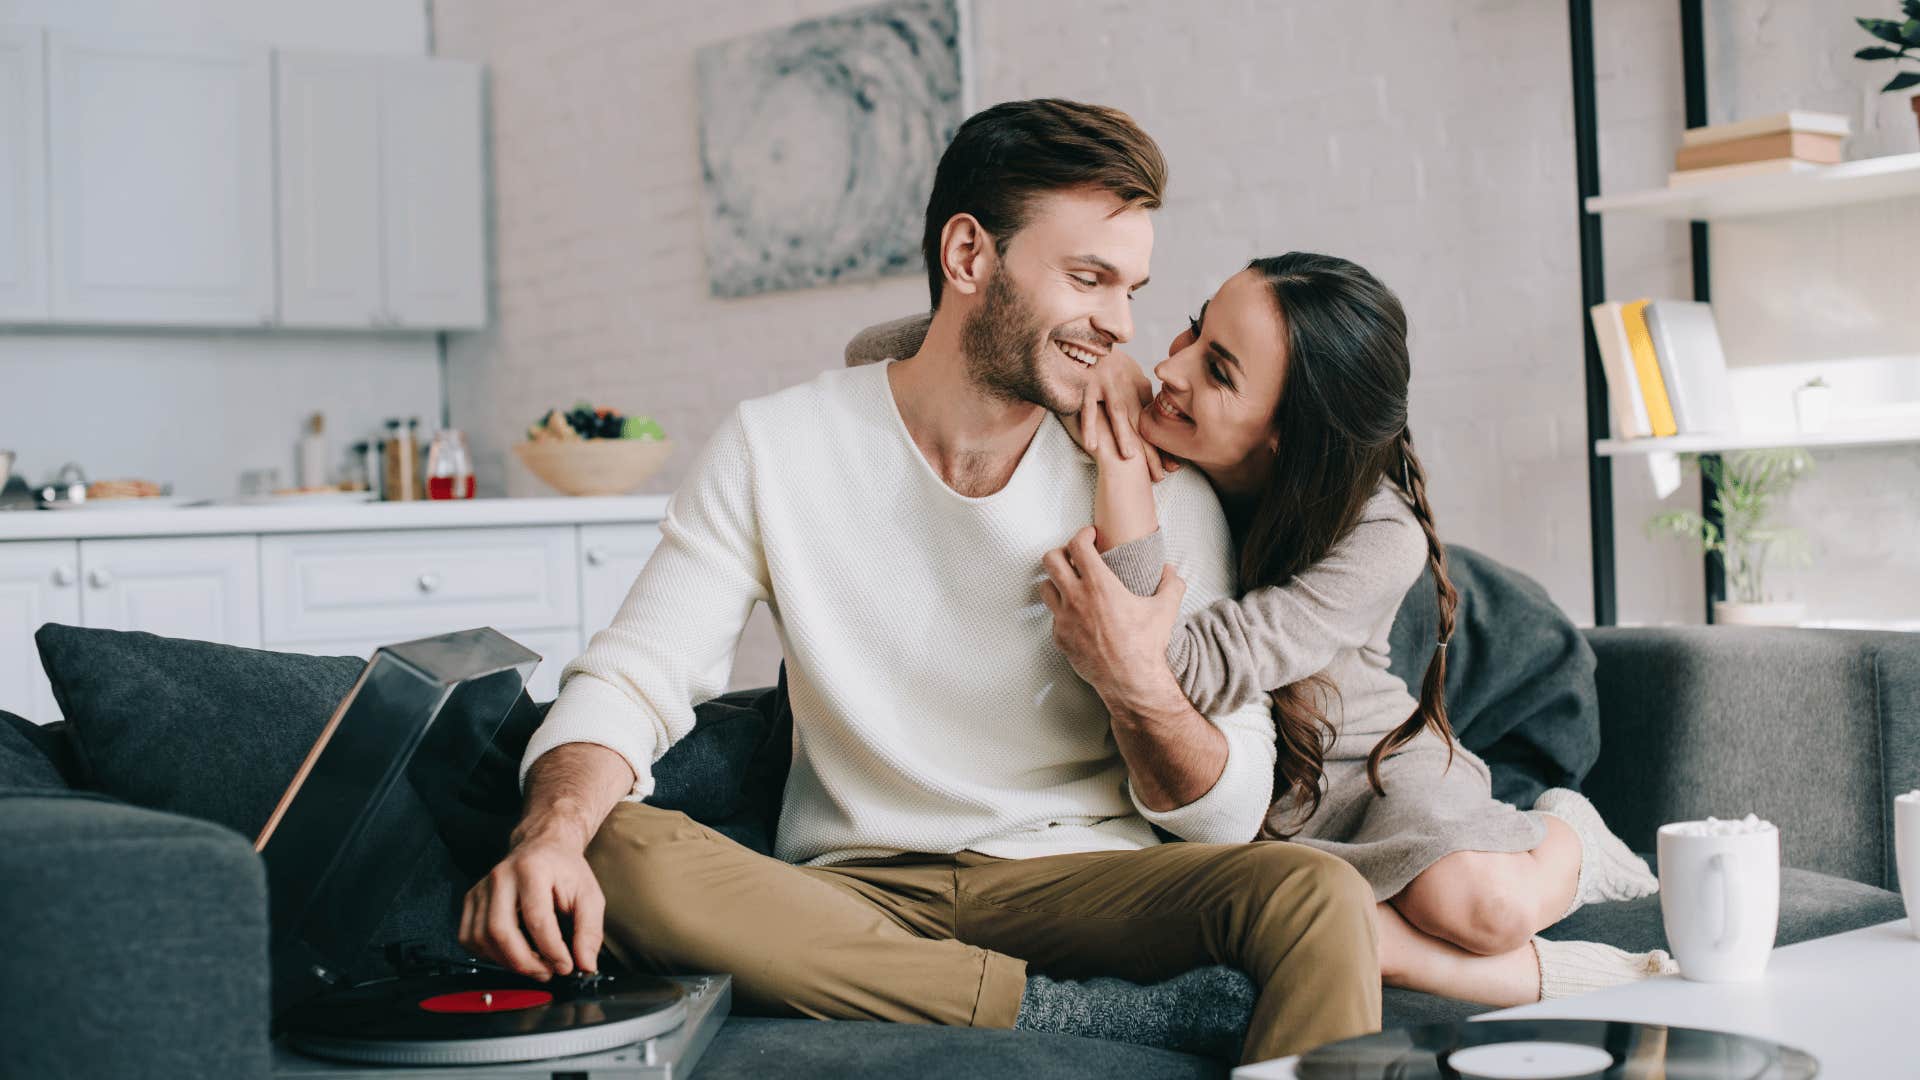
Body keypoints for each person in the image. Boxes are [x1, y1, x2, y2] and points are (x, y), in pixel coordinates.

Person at [459, 99, 1380, 1066]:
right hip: (853, 887)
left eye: (1132, 289)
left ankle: (949, 993)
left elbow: (1228, 819)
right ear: (969, 256)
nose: (1120, 326)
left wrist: (1135, 678)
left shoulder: (1147, 480)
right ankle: (1056, 1014)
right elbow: (634, 675)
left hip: (1084, 882)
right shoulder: (776, 447)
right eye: (1087, 278)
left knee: (1314, 897)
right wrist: (551, 838)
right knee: (609, 844)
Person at [848, 255, 1671, 1008]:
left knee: (1478, 908)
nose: (1172, 366)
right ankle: (1390, 939)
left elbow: (1182, 670)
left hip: (1369, 767)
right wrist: (1082, 355)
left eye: (1217, 369)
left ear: (1286, 430)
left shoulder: (1381, 534)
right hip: (1255, 793)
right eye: (1196, 329)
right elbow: (875, 350)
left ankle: (1569, 836)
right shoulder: (1142, 400)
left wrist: (1127, 487)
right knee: (1286, 922)